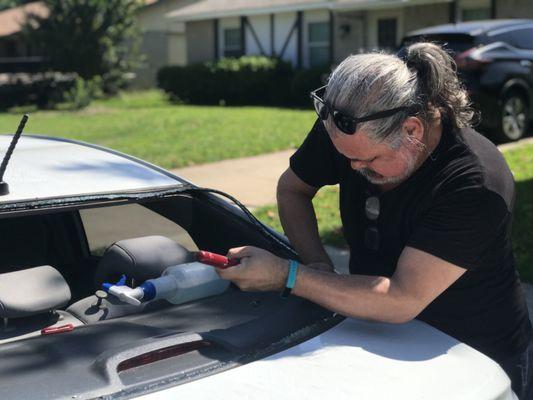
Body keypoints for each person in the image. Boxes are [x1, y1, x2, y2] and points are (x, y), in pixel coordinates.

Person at [217, 42, 533, 398]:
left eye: (368, 161)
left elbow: (400, 298)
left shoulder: (474, 183)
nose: (352, 169)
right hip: (376, 335)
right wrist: (317, 264)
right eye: (345, 158)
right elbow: (292, 190)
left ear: (412, 130)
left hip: (472, 357)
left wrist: (288, 275)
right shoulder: (348, 128)